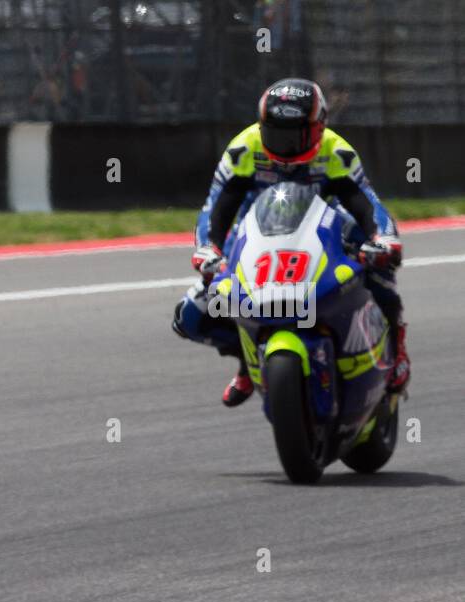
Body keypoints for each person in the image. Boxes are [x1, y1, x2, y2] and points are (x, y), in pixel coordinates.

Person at [173, 77, 408, 405]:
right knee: (192, 314)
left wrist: (383, 238)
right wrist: (207, 248)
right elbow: (216, 207)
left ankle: (397, 350)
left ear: (320, 126)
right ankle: (247, 358)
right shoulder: (243, 149)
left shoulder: (336, 151)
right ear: (261, 125)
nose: (286, 146)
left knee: (380, 267)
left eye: (298, 134)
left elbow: (366, 203)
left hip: (325, 232)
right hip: (256, 237)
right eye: (276, 134)